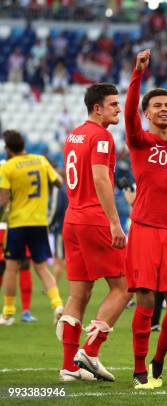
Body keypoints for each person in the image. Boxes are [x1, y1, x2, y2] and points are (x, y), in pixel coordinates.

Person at [124, 49, 167, 389]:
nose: (165, 110)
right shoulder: (140, 141)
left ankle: (159, 358)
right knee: (147, 298)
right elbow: (129, 115)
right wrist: (138, 74)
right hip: (146, 228)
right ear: (147, 114)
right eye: (158, 106)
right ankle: (138, 368)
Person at [57, 82, 131, 382]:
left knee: (80, 293)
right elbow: (100, 179)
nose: (119, 109)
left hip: (72, 219)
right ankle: (90, 349)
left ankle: (69, 366)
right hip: (93, 218)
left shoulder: (74, 134)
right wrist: (114, 221)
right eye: (114, 104)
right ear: (97, 108)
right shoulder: (102, 137)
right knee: (125, 285)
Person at [0, 130, 64, 326]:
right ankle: (58, 305)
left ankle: (8, 313)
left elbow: (2, 200)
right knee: (42, 267)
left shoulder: (7, 167)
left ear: (8, 148)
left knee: (11, 267)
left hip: (18, 223)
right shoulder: (41, 160)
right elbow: (59, 182)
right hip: (39, 222)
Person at [49, 170, 68, 283]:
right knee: (65, 259)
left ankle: (53, 286)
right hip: (70, 227)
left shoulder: (58, 189)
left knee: (59, 259)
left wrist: (48, 224)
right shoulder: (68, 188)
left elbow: (56, 208)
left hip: (61, 228)